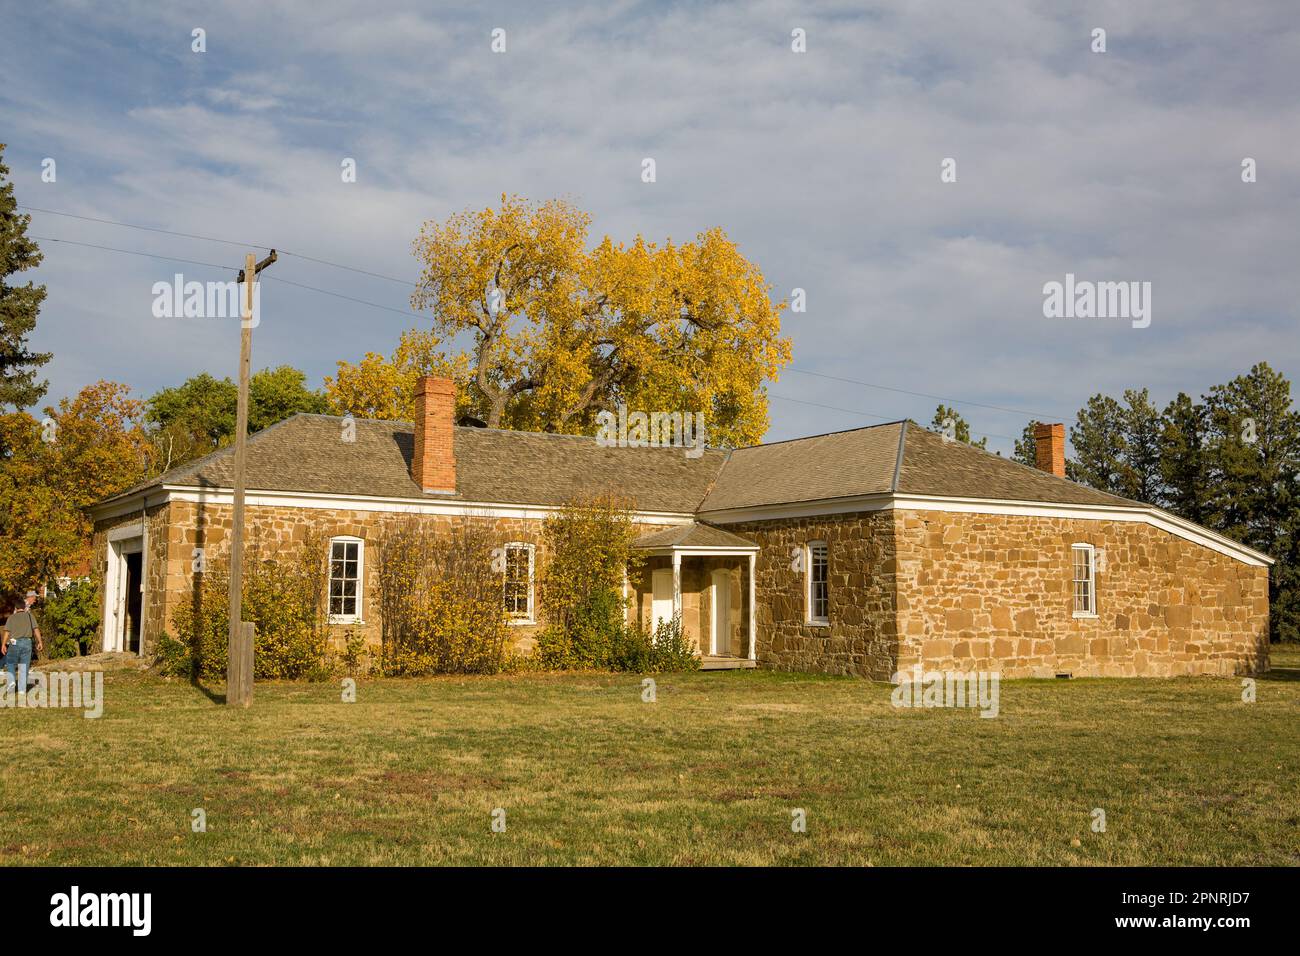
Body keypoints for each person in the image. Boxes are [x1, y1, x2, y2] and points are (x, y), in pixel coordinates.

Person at [2, 593, 43, 691]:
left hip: (14, 643)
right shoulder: (29, 616)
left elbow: (7, 632)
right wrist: (40, 641)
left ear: (16, 608)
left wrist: (3, 644)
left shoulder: (11, 617)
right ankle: (22, 690)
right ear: (24, 607)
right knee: (24, 665)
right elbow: (36, 629)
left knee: (10, 662)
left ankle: (11, 681)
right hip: (27, 642)